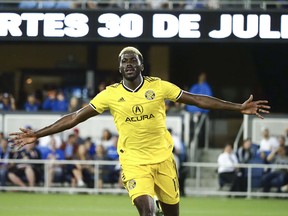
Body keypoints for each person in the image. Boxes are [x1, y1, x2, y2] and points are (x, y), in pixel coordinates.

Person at [10, 46, 270, 216]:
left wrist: (238, 107)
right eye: (124, 61)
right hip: (133, 162)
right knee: (147, 212)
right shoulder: (110, 94)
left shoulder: (159, 87)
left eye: (133, 60)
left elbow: (198, 100)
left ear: (141, 65)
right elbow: (75, 117)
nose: (128, 63)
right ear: (120, 68)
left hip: (163, 161)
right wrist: (38, 134)